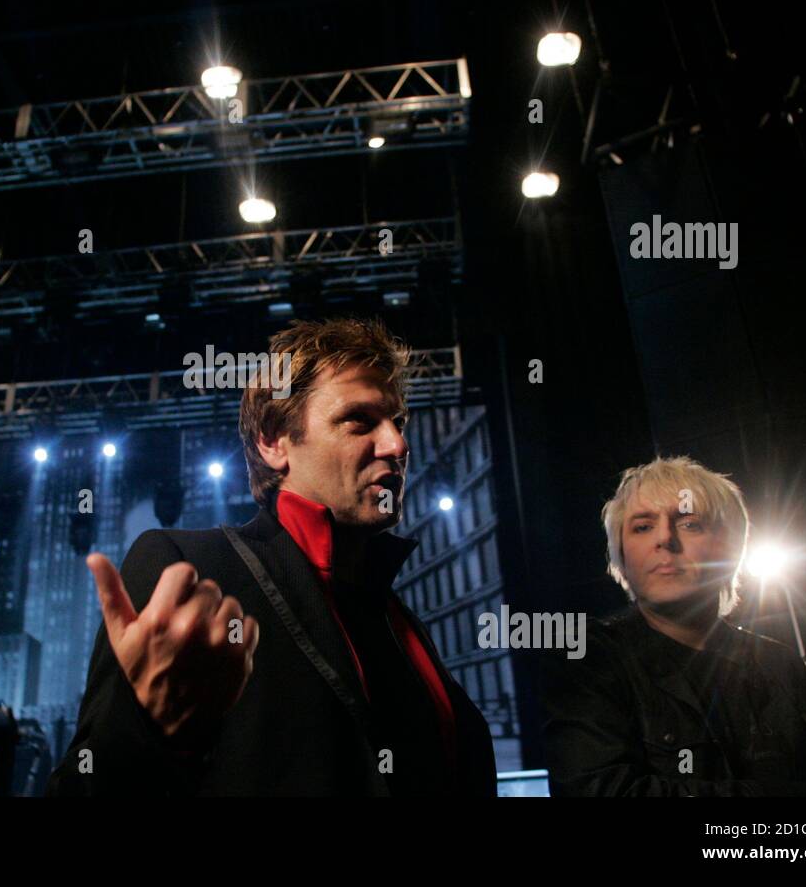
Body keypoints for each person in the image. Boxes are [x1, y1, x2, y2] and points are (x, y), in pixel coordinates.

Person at [47, 317, 496, 795]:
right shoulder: (188, 568)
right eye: (359, 421)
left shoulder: (398, 617)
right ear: (273, 439)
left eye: (399, 422)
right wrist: (147, 730)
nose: (398, 445)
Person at [541, 456, 806, 796]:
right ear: (621, 554)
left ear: (731, 549)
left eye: (690, 524)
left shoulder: (780, 665)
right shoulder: (585, 658)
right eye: (642, 526)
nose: (665, 539)